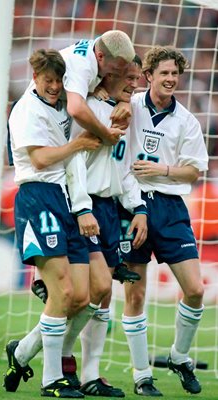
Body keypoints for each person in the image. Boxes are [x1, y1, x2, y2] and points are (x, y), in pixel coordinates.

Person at [3, 48, 102, 398]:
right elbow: (41, 159)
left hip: (65, 199)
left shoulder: (60, 102)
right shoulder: (26, 110)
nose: (55, 87)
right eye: (48, 80)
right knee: (61, 290)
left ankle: (23, 351)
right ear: (34, 78)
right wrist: (77, 145)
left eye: (59, 81)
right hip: (38, 195)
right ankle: (51, 380)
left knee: (81, 296)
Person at [119, 45, 209, 396]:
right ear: (149, 75)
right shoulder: (131, 106)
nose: (171, 79)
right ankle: (142, 375)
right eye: (164, 73)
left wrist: (163, 169)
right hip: (131, 205)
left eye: (175, 74)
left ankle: (179, 356)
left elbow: (194, 170)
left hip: (170, 208)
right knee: (135, 294)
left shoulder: (186, 120)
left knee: (195, 290)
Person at [71, 55, 148, 396]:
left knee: (102, 297)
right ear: (112, 74)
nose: (134, 84)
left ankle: (90, 375)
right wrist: (81, 208)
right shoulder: (90, 109)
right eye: (129, 77)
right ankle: (40, 351)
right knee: (84, 292)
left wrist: (139, 207)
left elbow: (124, 166)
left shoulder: (124, 113)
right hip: (83, 205)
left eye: (137, 79)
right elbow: (74, 163)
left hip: (108, 209)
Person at [26, 30, 135, 145]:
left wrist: (125, 102)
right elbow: (76, 109)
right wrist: (105, 135)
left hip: (55, 114)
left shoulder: (102, 46)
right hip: (34, 117)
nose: (119, 74)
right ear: (100, 56)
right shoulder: (82, 66)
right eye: (116, 69)